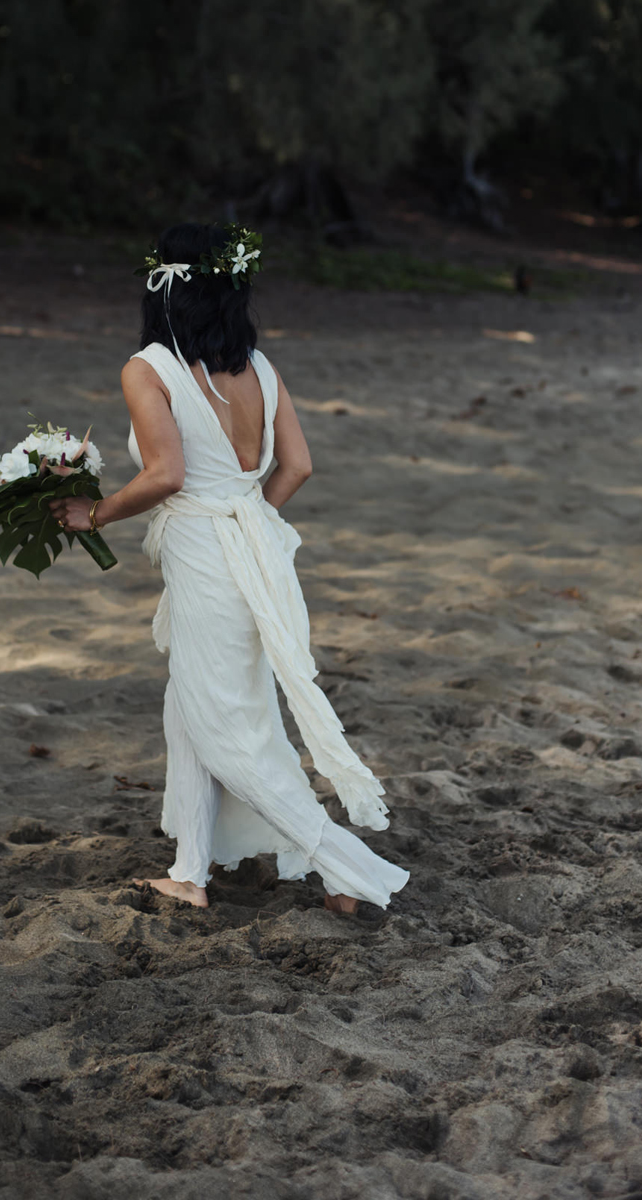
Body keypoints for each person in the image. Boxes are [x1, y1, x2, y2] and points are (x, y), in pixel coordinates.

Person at [47, 222, 408, 914]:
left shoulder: (147, 368)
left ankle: (352, 872)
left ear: (162, 288)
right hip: (255, 548)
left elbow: (165, 475)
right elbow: (298, 465)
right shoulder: (261, 368)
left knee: (226, 730)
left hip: (208, 554)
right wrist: (252, 522)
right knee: (193, 707)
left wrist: (94, 514)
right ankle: (190, 870)